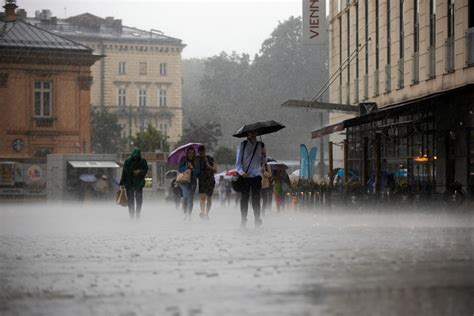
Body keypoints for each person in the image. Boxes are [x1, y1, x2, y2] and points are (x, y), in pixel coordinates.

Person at [235, 131, 265, 227]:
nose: (252, 134)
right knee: (244, 198)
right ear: (247, 134)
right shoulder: (242, 145)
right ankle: (243, 219)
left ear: (257, 133)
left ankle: (257, 218)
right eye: (250, 132)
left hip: (256, 175)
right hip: (245, 176)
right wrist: (241, 172)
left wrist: (264, 157)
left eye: (254, 132)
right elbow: (238, 162)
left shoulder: (261, 145)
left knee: (256, 199)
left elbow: (263, 161)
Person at [120, 148, 148, 218]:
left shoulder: (142, 161)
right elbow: (124, 173)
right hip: (129, 183)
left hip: (139, 183)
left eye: (137, 156)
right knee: (130, 200)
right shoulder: (127, 162)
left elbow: (145, 169)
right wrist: (122, 183)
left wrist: (140, 171)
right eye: (134, 156)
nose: (136, 158)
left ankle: (138, 214)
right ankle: (131, 215)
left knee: (139, 199)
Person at [178, 147, 200, 219]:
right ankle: (185, 213)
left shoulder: (196, 161)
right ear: (187, 153)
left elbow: (197, 172)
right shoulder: (183, 159)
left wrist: (192, 169)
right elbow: (180, 169)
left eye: (192, 153)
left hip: (192, 182)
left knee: (190, 198)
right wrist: (186, 167)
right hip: (183, 182)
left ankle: (189, 214)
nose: (191, 154)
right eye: (189, 153)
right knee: (185, 196)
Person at [196, 145, 217, 219]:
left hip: (210, 180)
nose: (201, 154)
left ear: (205, 151)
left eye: (203, 152)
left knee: (209, 197)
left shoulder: (210, 158)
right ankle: (203, 212)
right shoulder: (197, 159)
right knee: (202, 198)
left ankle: (207, 213)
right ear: (198, 152)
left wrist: (208, 165)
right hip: (202, 180)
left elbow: (215, 170)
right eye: (200, 152)